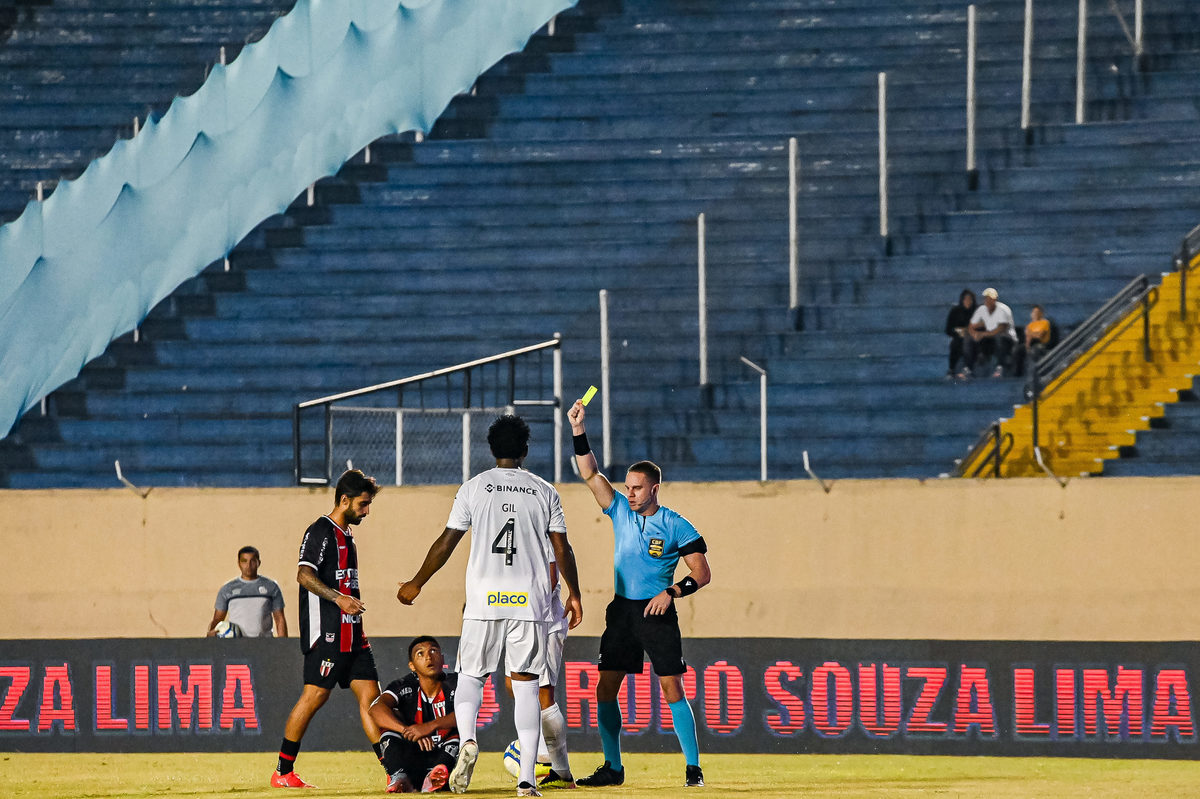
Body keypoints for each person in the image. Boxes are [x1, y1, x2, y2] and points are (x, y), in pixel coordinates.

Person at [397, 414, 583, 798]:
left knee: (469, 678)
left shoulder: (474, 487)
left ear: (492, 449)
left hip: (483, 599)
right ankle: (527, 780)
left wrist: (416, 583)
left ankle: (467, 740)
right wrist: (574, 592)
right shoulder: (544, 491)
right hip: (528, 602)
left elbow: (446, 542)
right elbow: (562, 549)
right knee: (528, 687)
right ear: (525, 450)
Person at [566, 400, 711, 789]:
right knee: (605, 687)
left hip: (656, 611)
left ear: (654, 488)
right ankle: (613, 767)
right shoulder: (619, 510)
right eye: (627, 487)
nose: (629, 493)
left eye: (636, 488)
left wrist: (673, 591)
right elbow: (590, 473)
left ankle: (693, 768)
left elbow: (702, 572)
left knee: (671, 687)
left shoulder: (676, 525)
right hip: (622, 611)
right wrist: (579, 429)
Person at [271, 469, 386, 789]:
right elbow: (303, 575)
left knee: (373, 701)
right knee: (313, 697)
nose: (367, 510)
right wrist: (339, 599)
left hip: (354, 634)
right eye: (363, 504)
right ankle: (282, 771)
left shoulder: (347, 535)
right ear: (344, 500)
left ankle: (394, 772)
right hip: (327, 635)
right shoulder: (320, 530)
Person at [503, 557, 577, 790]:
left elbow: (549, 577)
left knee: (543, 694)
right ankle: (548, 758)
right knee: (513, 685)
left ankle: (555, 765)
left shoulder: (541, 527)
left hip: (541, 620)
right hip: (517, 619)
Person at [370, 636, 459, 793]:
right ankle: (399, 776)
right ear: (412, 666)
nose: (428, 657)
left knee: (460, 731)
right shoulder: (403, 685)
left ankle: (436, 776)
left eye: (433, 651)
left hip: (443, 754)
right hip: (411, 756)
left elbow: (471, 713)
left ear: (442, 658)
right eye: (420, 654)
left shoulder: (456, 683)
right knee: (388, 726)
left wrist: (428, 727)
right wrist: (409, 730)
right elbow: (376, 710)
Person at [207, 546, 287, 638]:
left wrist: (283, 644)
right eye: (244, 561)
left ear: (258, 563)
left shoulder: (271, 587)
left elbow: (279, 619)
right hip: (236, 645)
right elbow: (217, 619)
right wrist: (210, 637)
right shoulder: (227, 589)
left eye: (252, 561)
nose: (248, 565)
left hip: (264, 644)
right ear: (239, 563)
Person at [960, 286, 1017, 378]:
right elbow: (971, 326)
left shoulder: (1003, 309)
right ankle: (968, 369)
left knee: (999, 337)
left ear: (995, 299)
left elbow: (1000, 329)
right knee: (968, 338)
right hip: (990, 338)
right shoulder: (981, 309)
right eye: (986, 298)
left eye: (990, 298)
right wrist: (974, 334)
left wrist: (982, 334)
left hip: (1007, 339)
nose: (988, 300)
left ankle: (1000, 367)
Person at [944, 289, 976, 378]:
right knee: (956, 343)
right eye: (966, 299)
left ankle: (968, 368)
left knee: (969, 342)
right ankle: (951, 369)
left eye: (970, 299)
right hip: (959, 337)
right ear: (962, 300)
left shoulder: (977, 311)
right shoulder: (955, 311)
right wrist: (960, 331)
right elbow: (948, 330)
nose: (968, 302)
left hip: (975, 338)